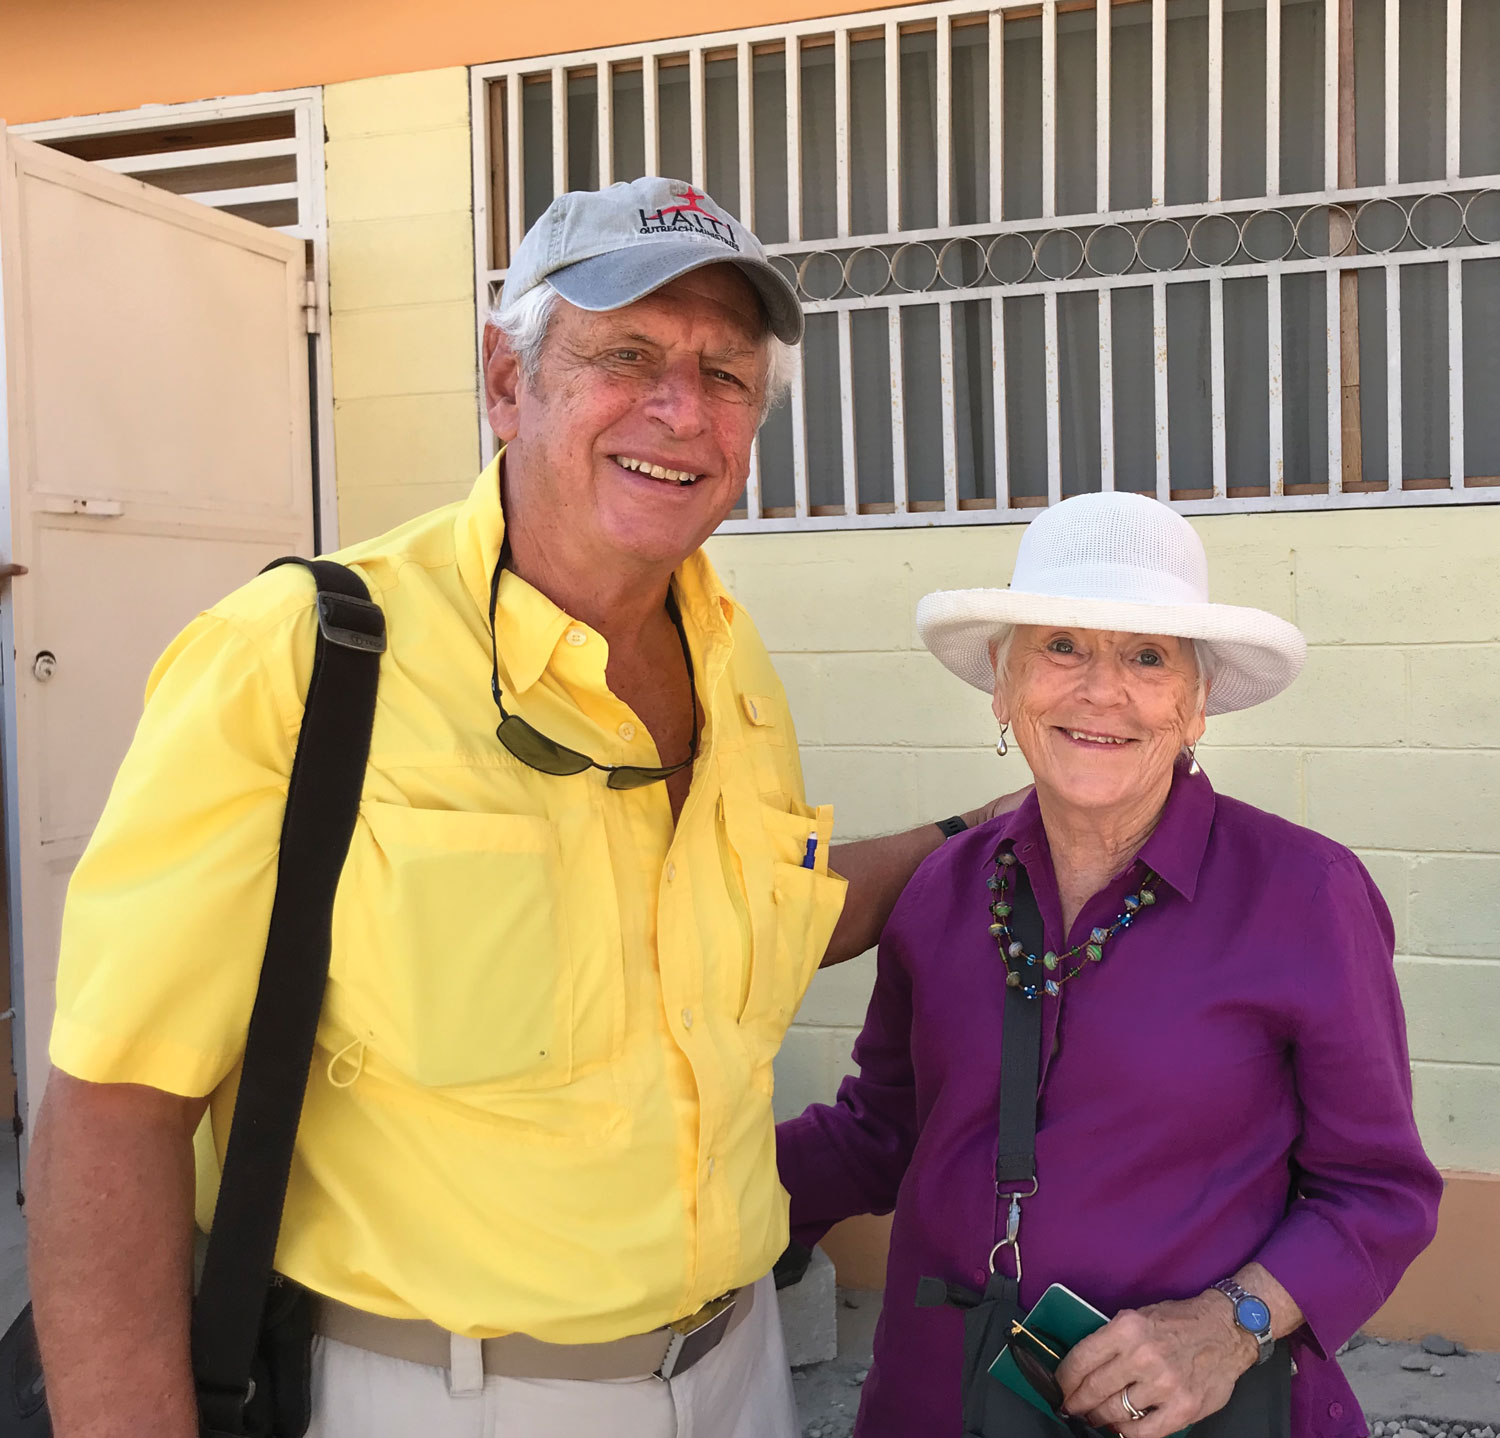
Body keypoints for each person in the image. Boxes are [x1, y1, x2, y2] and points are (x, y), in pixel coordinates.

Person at [27, 176, 1015, 1438]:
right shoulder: (304, 657)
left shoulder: (730, 654)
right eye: (626, 354)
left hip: (739, 1368)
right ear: (507, 380)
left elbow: (764, 913)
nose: (679, 408)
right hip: (445, 1394)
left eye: (725, 375)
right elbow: (113, 1109)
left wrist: (979, 832)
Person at [777, 491, 1442, 1438]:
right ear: (1003, 689)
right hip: (940, 1396)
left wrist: (1229, 1326)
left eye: (1146, 657)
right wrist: (683, 1193)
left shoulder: (1304, 895)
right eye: (1061, 647)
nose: (1101, 691)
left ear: (1196, 703)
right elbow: (883, 1134)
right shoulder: (942, 891)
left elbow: (1380, 1192)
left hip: (1186, 1413)